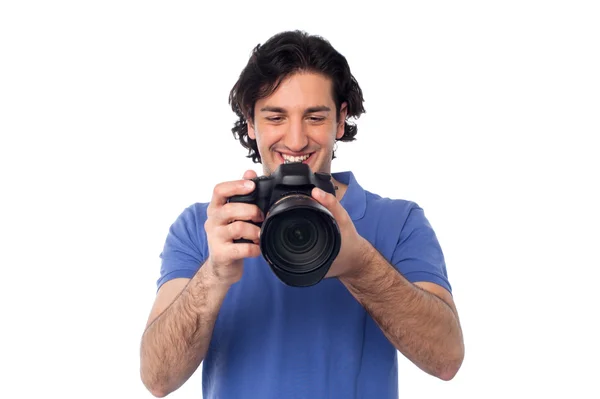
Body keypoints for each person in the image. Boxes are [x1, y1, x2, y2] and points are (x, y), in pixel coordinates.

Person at [139, 30, 464, 399]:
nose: (295, 140)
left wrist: (360, 265)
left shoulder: (398, 221)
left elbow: (446, 360)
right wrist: (213, 276)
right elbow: (157, 379)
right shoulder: (207, 226)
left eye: (314, 117)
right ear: (250, 122)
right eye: (276, 117)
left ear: (340, 121)